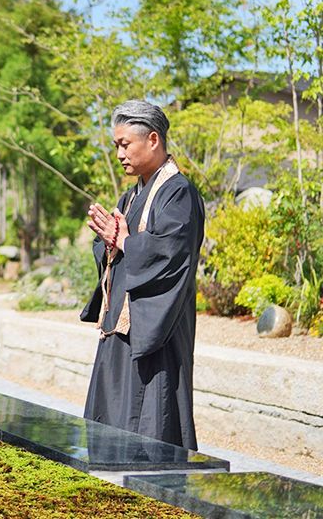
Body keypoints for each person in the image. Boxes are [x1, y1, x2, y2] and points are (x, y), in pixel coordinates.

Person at [79, 100, 205, 449]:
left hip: (155, 330)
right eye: (116, 145)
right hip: (120, 330)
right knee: (112, 415)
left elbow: (171, 254)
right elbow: (115, 248)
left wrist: (124, 241)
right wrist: (109, 242)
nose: (119, 154)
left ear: (152, 140)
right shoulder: (131, 196)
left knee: (152, 417)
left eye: (125, 144)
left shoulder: (178, 193)